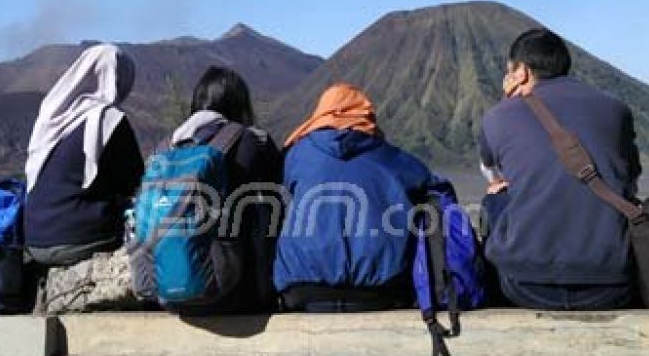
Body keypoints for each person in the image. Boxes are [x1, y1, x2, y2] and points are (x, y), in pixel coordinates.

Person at [480, 28, 641, 310]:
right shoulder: (617, 109)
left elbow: (495, 175)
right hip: (612, 283)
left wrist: (508, 103)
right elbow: (632, 177)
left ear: (521, 72)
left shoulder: (498, 117)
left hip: (526, 286)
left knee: (496, 195)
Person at [274, 83, 434, 312]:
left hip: (302, 290)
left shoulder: (297, 155)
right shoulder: (390, 157)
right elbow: (429, 181)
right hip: (379, 291)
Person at [161, 66, 283, 313]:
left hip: (170, 296)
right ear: (239, 103)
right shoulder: (250, 142)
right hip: (235, 295)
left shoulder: (166, 147)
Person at [24, 44, 145, 267]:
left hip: (34, 241)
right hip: (79, 238)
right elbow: (137, 182)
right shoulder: (109, 120)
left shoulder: (51, 119)